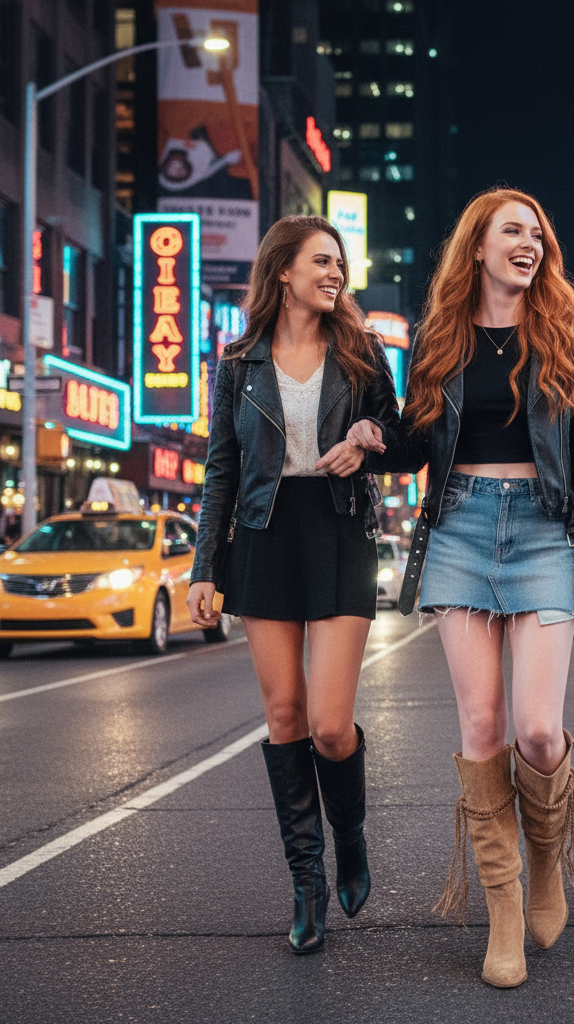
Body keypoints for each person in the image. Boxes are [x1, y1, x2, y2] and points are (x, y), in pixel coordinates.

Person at [347, 188, 574, 987]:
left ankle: (543, 863)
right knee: (484, 723)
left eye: (537, 232)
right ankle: (502, 910)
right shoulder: (440, 334)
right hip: (461, 523)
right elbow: (418, 439)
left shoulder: (569, 334)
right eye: (513, 231)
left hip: (544, 527)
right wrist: (372, 437)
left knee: (537, 730)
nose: (528, 242)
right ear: (479, 246)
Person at [187, 215, 401, 955]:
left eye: (339, 261)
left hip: (339, 527)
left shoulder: (362, 350)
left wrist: (369, 440)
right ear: (283, 270)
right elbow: (221, 467)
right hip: (265, 535)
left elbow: (397, 438)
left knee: (331, 726)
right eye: (321, 260)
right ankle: (306, 882)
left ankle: (350, 834)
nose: (335, 271)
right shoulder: (239, 360)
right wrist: (204, 567)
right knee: (284, 716)